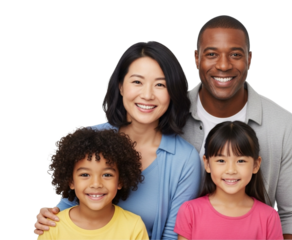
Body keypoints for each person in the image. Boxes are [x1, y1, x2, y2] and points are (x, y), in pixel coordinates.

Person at [34, 41, 201, 239]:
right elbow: (71, 203)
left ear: (173, 92)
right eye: (137, 82)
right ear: (121, 86)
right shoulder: (92, 138)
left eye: (160, 84)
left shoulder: (184, 160)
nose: (147, 95)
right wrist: (49, 216)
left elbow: (173, 234)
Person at [180, 14, 292, 240]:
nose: (223, 65)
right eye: (211, 54)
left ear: (249, 59)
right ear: (196, 58)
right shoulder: (169, 115)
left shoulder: (284, 125)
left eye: (235, 55)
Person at [174, 121, 283, 239]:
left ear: (256, 165)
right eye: (221, 161)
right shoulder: (190, 212)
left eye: (241, 161)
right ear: (207, 164)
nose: (231, 170)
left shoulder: (269, 217)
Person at [38, 127, 148, 239]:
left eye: (107, 175)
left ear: (120, 181)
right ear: (71, 181)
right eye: (85, 175)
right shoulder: (51, 227)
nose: (96, 184)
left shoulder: (133, 227)